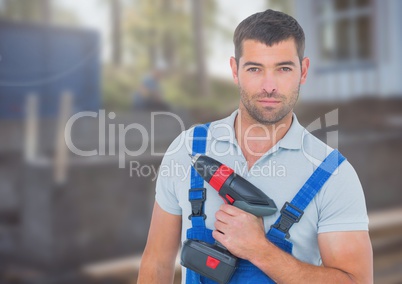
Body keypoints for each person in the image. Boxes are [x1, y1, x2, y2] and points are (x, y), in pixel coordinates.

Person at [138, 9, 373, 284]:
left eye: (284, 68)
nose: (269, 86)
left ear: (304, 71)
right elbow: (156, 264)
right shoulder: (188, 148)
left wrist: (260, 250)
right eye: (255, 69)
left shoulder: (333, 173)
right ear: (235, 70)